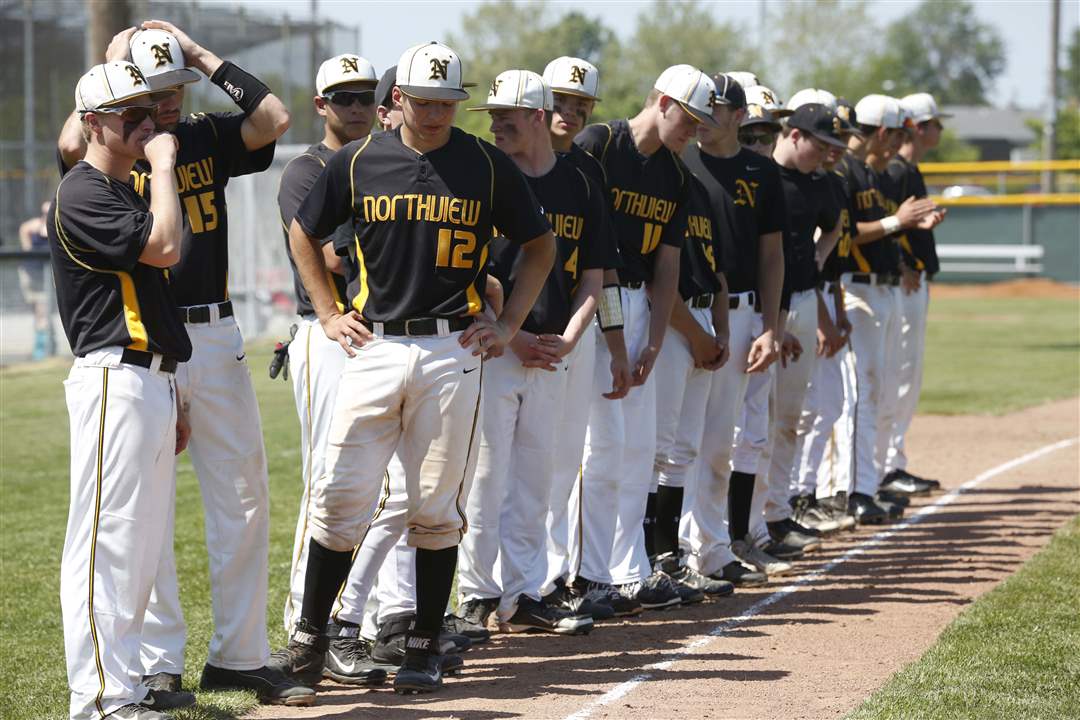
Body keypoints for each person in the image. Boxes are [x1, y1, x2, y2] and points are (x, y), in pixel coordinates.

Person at [273, 41, 555, 694]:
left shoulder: (484, 165)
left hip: (451, 348)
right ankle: (311, 639)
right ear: (396, 100)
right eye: (424, 101)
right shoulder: (358, 161)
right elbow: (302, 232)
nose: (435, 114)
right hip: (372, 346)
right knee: (340, 495)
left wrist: (507, 324)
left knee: (433, 504)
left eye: (447, 103)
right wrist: (325, 308)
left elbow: (540, 244)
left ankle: (424, 643)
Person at [57, 22, 306, 705]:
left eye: (171, 93)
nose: (161, 107)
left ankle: (239, 654)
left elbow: (273, 118)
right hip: (133, 347)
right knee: (141, 520)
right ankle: (156, 663)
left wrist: (197, 55)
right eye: (146, 98)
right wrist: (115, 70)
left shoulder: (197, 135)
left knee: (245, 496)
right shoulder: (105, 160)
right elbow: (72, 141)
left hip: (209, 333)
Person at [53, 60, 192, 720]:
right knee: (107, 546)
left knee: (139, 548)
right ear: (92, 125)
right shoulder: (84, 191)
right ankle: (102, 698)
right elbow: (165, 248)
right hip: (113, 375)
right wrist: (164, 165)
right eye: (128, 115)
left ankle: (127, 687)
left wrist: (179, 393)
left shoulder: (122, 191)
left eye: (149, 111)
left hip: (149, 379)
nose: (145, 123)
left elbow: (158, 285)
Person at [456, 68, 604, 635]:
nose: (495, 126)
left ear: (538, 117)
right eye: (492, 117)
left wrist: (570, 335)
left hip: (552, 348)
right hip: (494, 347)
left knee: (537, 480)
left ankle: (524, 592)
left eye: (506, 117)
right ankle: (475, 596)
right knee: (486, 478)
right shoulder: (485, 177)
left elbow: (594, 275)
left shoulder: (580, 181)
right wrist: (508, 333)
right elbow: (467, 273)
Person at [573, 64, 715, 612]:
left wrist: (655, 342)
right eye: (690, 116)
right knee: (599, 447)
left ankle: (625, 571)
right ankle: (584, 575)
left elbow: (668, 267)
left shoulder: (675, 176)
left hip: (639, 307)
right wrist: (613, 335)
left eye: (703, 121)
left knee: (637, 451)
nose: (695, 129)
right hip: (592, 300)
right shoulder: (600, 144)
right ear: (661, 100)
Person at [276, 53, 390, 687]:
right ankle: (304, 625)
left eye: (363, 94)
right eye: (341, 97)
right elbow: (334, 258)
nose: (355, 105)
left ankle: (356, 623)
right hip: (329, 332)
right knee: (328, 480)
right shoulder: (310, 168)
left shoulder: (379, 162)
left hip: (376, 336)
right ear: (321, 105)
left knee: (372, 488)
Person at [681, 74, 785, 583]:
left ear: (740, 116)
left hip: (743, 313)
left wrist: (771, 324)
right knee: (677, 440)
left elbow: (772, 254)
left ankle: (713, 548)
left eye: (719, 107)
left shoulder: (760, 173)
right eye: (704, 105)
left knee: (721, 438)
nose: (707, 114)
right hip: (683, 310)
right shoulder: (680, 161)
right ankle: (675, 552)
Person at [536, 56, 626, 618]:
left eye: (580, 105)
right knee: (512, 466)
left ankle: (551, 580)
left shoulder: (589, 173)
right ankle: (495, 590)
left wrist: (612, 339)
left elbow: (603, 269)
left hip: (577, 326)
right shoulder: (504, 164)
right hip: (517, 333)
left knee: (568, 456)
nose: (569, 113)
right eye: (560, 101)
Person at [835, 94, 938, 524]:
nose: (901, 142)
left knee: (871, 393)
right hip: (852, 292)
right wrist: (899, 222)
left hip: (878, 290)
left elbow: (876, 236)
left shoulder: (871, 173)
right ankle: (850, 489)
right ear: (881, 132)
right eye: (897, 133)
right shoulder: (847, 172)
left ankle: (865, 482)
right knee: (857, 396)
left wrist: (900, 242)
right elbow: (846, 233)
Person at [879, 93, 949, 494]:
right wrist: (903, 263)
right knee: (897, 375)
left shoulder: (907, 169)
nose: (940, 130)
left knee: (907, 374)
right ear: (918, 127)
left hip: (911, 281)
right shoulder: (894, 170)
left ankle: (892, 461)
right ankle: (887, 466)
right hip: (900, 282)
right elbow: (881, 223)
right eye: (936, 124)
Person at [18, 201, 57, 360]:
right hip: (34, 276)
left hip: (49, 278)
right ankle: (43, 347)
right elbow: (24, 231)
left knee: (45, 313)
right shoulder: (31, 228)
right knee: (38, 312)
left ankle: (46, 347)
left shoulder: (55, 228)